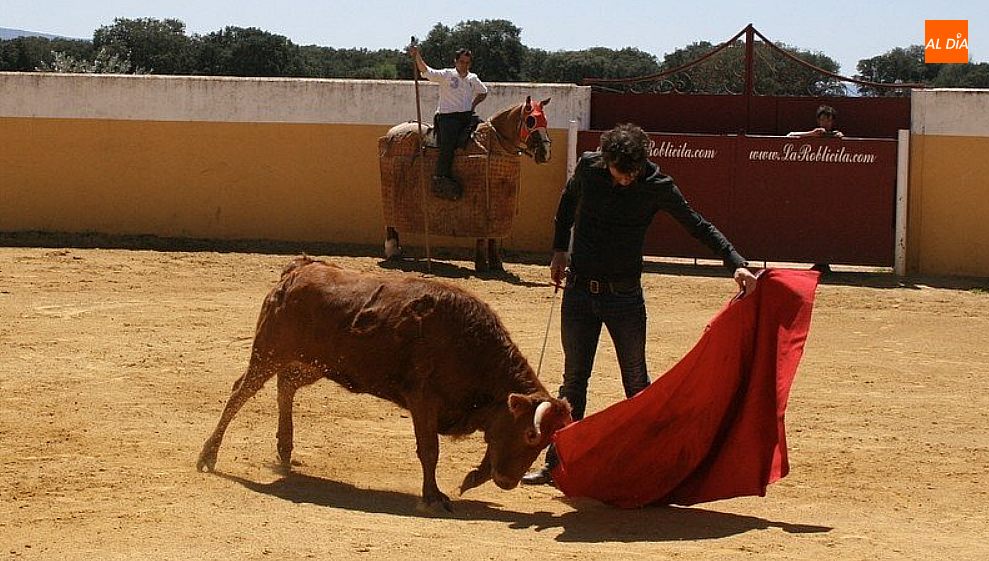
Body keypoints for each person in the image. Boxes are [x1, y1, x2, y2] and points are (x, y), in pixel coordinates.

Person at [522, 123, 758, 486]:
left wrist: (735, 262)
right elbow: (567, 204)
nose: (625, 182)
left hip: (624, 296)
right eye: (619, 174)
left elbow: (698, 226)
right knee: (574, 383)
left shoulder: (658, 186)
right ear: (607, 160)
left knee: (636, 382)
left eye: (631, 175)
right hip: (580, 292)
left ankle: (653, 465)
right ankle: (557, 466)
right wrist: (557, 249)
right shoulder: (590, 168)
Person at [409, 45, 488, 201]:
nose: (464, 65)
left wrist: (473, 105)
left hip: (466, 116)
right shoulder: (446, 75)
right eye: (461, 61)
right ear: (455, 61)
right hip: (448, 118)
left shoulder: (473, 78)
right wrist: (417, 55)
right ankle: (441, 177)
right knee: (448, 145)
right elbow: (426, 71)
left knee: (485, 131)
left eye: (467, 62)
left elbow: (484, 92)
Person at [787, 105, 843, 275]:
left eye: (828, 119)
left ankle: (823, 261)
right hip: (808, 185)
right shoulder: (813, 134)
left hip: (830, 187)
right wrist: (811, 134)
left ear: (833, 122)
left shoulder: (837, 136)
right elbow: (789, 136)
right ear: (818, 120)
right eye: (823, 119)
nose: (825, 123)